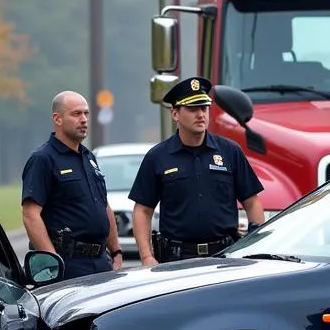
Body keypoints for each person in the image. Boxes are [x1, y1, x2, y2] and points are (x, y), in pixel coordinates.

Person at [129, 76, 265, 266]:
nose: (201, 114)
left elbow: (252, 202)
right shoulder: (157, 156)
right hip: (177, 259)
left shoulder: (230, 151)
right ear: (175, 114)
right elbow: (142, 210)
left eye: (204, 108)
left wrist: (254, 246)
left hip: (225, 257)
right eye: (193, 109)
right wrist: (146, 256)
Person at [21, 90, 122, 279]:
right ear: (57, 119)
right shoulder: (43, 159)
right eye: (76, 114)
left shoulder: (89, 157)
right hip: (68, 264)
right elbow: (30, 215)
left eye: (86, 113)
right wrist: (52, 263)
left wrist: (116, 252)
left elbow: (104, 205)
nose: (84, 119)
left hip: (101, 262)